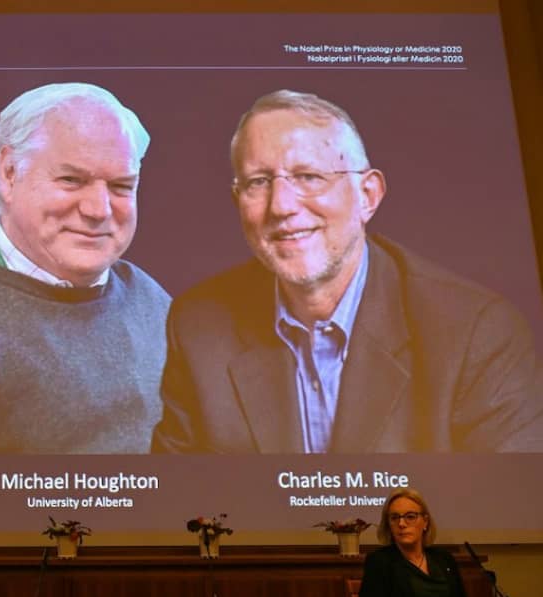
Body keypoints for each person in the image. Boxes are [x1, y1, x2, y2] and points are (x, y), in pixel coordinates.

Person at [151, 89, 543, 453]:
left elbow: (508, 512)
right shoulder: (198, 327)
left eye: (309, 177)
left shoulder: (476, 334)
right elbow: (180, 501)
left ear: (368, 195)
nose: (282, 205)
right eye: (259, 182)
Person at [0, 82, 170, 453]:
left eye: (122, 186)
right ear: (9, 173)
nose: (99, 209)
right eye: (71, 180)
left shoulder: (150, 300)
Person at [358, 487, 472, 597]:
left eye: (410, 517)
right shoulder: (379, 563)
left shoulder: (444, 559)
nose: (401, 524)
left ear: (425, 522)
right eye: (394, 518)